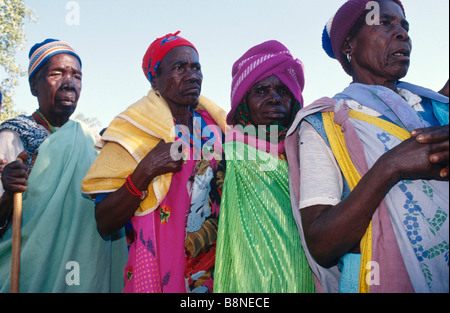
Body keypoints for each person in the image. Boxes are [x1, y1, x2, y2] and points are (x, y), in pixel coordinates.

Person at [285, 0, 449, 293]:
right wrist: (391, 166)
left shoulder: (436, 111)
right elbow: (322, 244)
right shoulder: (327, 124)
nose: (402, 34)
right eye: (385, 23)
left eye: (404, 26)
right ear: (349, 44)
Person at [81, 31, 227, 293]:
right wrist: (145, 170)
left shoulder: (216, 127)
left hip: (214, 267)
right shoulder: (133, 130)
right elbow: (104, 222)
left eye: (196, 67)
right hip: (159, 265)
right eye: (179, 67)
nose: (192, 75)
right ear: (155, 79)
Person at [0, 39, 127, 292]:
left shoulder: (93, 142)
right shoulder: (12, 136)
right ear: (34, 85)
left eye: (76, 76)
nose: (69, 82)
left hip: (87, 276)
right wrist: (7, 191)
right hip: (29, 276)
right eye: (56, 74)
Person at [214, 40, 315, 293]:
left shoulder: (313, 150)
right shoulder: (221, 157)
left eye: (283, 91)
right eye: (261, 91)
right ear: (243, 102)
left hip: (306, 279)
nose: (273, 99)